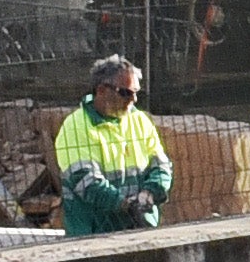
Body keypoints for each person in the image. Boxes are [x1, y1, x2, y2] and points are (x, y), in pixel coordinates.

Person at [55, 55, 171, 235]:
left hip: (140, 228)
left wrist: (150, 192)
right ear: (101, 90)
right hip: (93, 235)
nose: (134, 100)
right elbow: (86, 182)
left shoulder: (140, 121)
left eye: (136, 92)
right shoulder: (75, 126)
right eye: (125, 92)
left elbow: (162, 166)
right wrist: (127, 205)